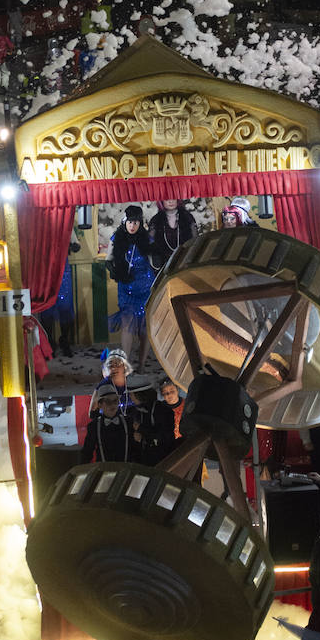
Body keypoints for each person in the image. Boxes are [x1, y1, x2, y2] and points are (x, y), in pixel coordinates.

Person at [108, 206, 155, 370]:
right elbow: (109, 258)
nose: (132, 226)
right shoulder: (117, 238)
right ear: (124, 222)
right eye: (129, 222)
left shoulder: (147, 240)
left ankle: (141, 364)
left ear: (140, 223)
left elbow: (154, 262)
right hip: (127, 287)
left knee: (144, 328)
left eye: (135, 222)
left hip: (145, 287)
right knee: (127, 324)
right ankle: (126, 364)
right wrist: (114, 270)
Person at [81, 384, 140, 464]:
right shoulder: (94, 426)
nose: (112, 405)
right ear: (100, 405)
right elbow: (87, 452)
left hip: (125, 470)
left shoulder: (128, 421)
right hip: (104, 471)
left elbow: (135, 449)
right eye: (108, 402)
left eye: (115, 401)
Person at [147, 199, 197, 269]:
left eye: (173, 198)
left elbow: (194, 240)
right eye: (167, 198)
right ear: (161, 201)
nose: (171, 201)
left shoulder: (187, 217)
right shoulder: (156, 220)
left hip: (185, 262)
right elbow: (151, 243)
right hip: (163, 266)